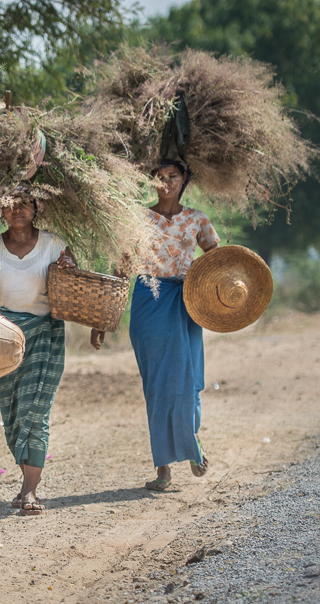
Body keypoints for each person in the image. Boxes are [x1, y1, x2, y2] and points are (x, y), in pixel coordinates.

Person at [90, 159, 219, 491]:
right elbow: (122, 268)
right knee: (157, 385)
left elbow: (217, 257)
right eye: (159, 178)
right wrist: (105, 317)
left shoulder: (197, 219)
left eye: (172, 176)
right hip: (149, 301)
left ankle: (191, 443)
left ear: (184, 178)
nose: (166, 183)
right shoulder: (139, 219)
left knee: (188, 377)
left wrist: (216, 296)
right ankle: (163, 469)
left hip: (187, 303)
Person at [0, 185, 75, 515]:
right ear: (0, 211)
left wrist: (69, 269)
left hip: (45, 336)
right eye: (10, 204)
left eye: (25, 204)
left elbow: (71, 284)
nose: (18, 210)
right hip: (3, 339)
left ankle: (29, 491)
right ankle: (24, 480)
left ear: (36, 209)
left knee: (36, 410)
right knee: (13, 412)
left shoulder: (54, 244)